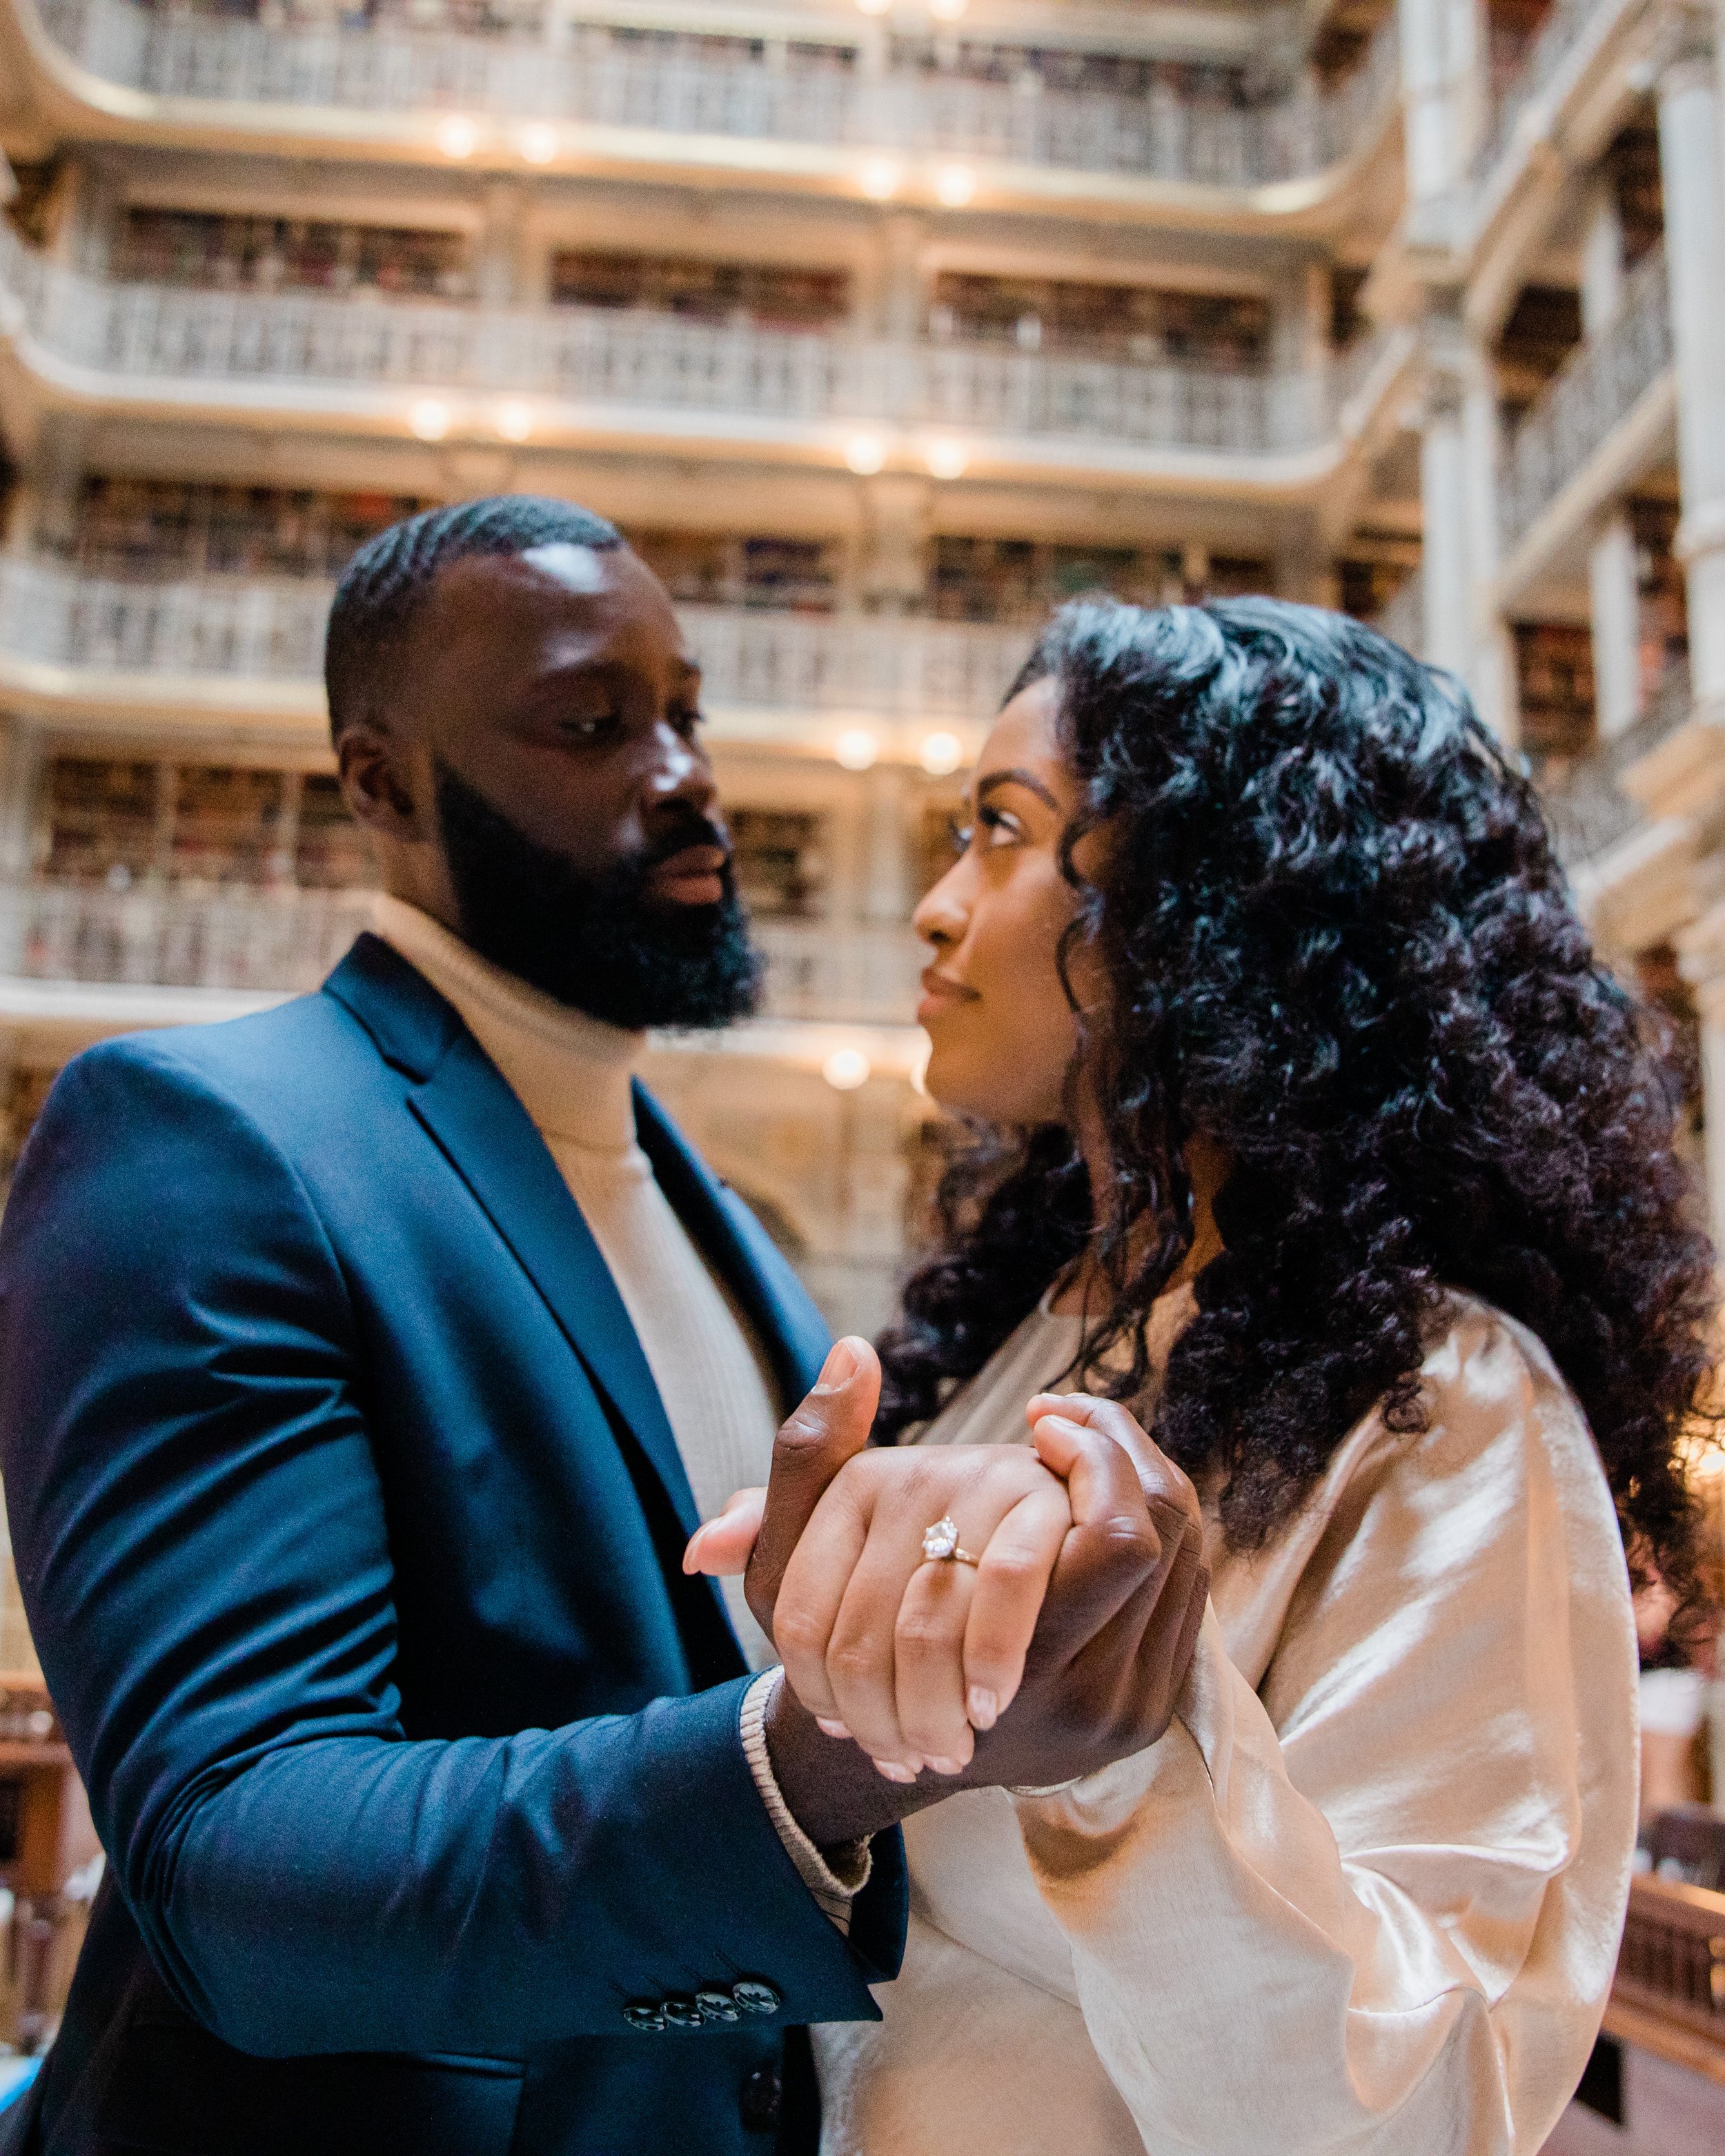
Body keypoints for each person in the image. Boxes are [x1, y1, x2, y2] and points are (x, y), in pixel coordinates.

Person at [0, 502, 1208, 2156]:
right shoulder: (204, 1139)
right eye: (591, 723)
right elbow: (239, 1868)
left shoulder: (718, 1228)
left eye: (685, 714)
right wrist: (830, 1767)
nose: (683, 775)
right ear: (381, 785)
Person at [691, 597, 1718, 2154]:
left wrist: (1121, 1755)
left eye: (998, 829)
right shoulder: (1034, 1334)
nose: (932, 904)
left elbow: (1425, 2105)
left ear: (1204, 904)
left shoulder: (1444, 1402)